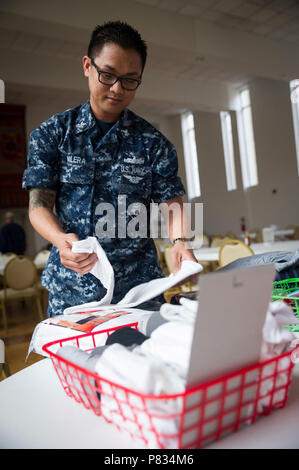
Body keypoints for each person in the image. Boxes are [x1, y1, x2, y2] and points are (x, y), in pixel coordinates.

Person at [22, 21, 198, 317]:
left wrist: (180, 241)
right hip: (73, 289)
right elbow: (38, 206)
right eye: (108, 75)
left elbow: (172, 203)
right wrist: (59, 240)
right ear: (88, 66)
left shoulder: (153, 144)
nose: (118, 89)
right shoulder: (52, 135)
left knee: (144, 362)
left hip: (138, 289)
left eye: (130, 79)